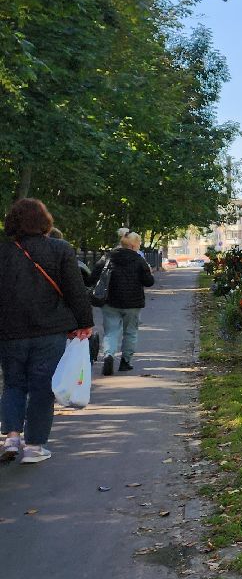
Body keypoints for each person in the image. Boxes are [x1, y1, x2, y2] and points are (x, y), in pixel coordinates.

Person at [0, 198, 93, 465]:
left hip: (9, 331)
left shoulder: (3, 251)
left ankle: (12, 437)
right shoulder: (60, 248)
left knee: (13, 383)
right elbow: (75, 289)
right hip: (49, 331)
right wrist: (84, 322)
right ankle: (34, 447)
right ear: (44, 221)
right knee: (42, 388)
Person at [96, 229, 155, 376]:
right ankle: (126, 362)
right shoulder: (139, 260)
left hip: (110, 301)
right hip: (133, 303)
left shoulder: (108, 257)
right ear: (134, 245)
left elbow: (93, 276)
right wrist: (148, 272)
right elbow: (149, 282)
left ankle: (108, 355)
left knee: (110, 332)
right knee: (130, 332)